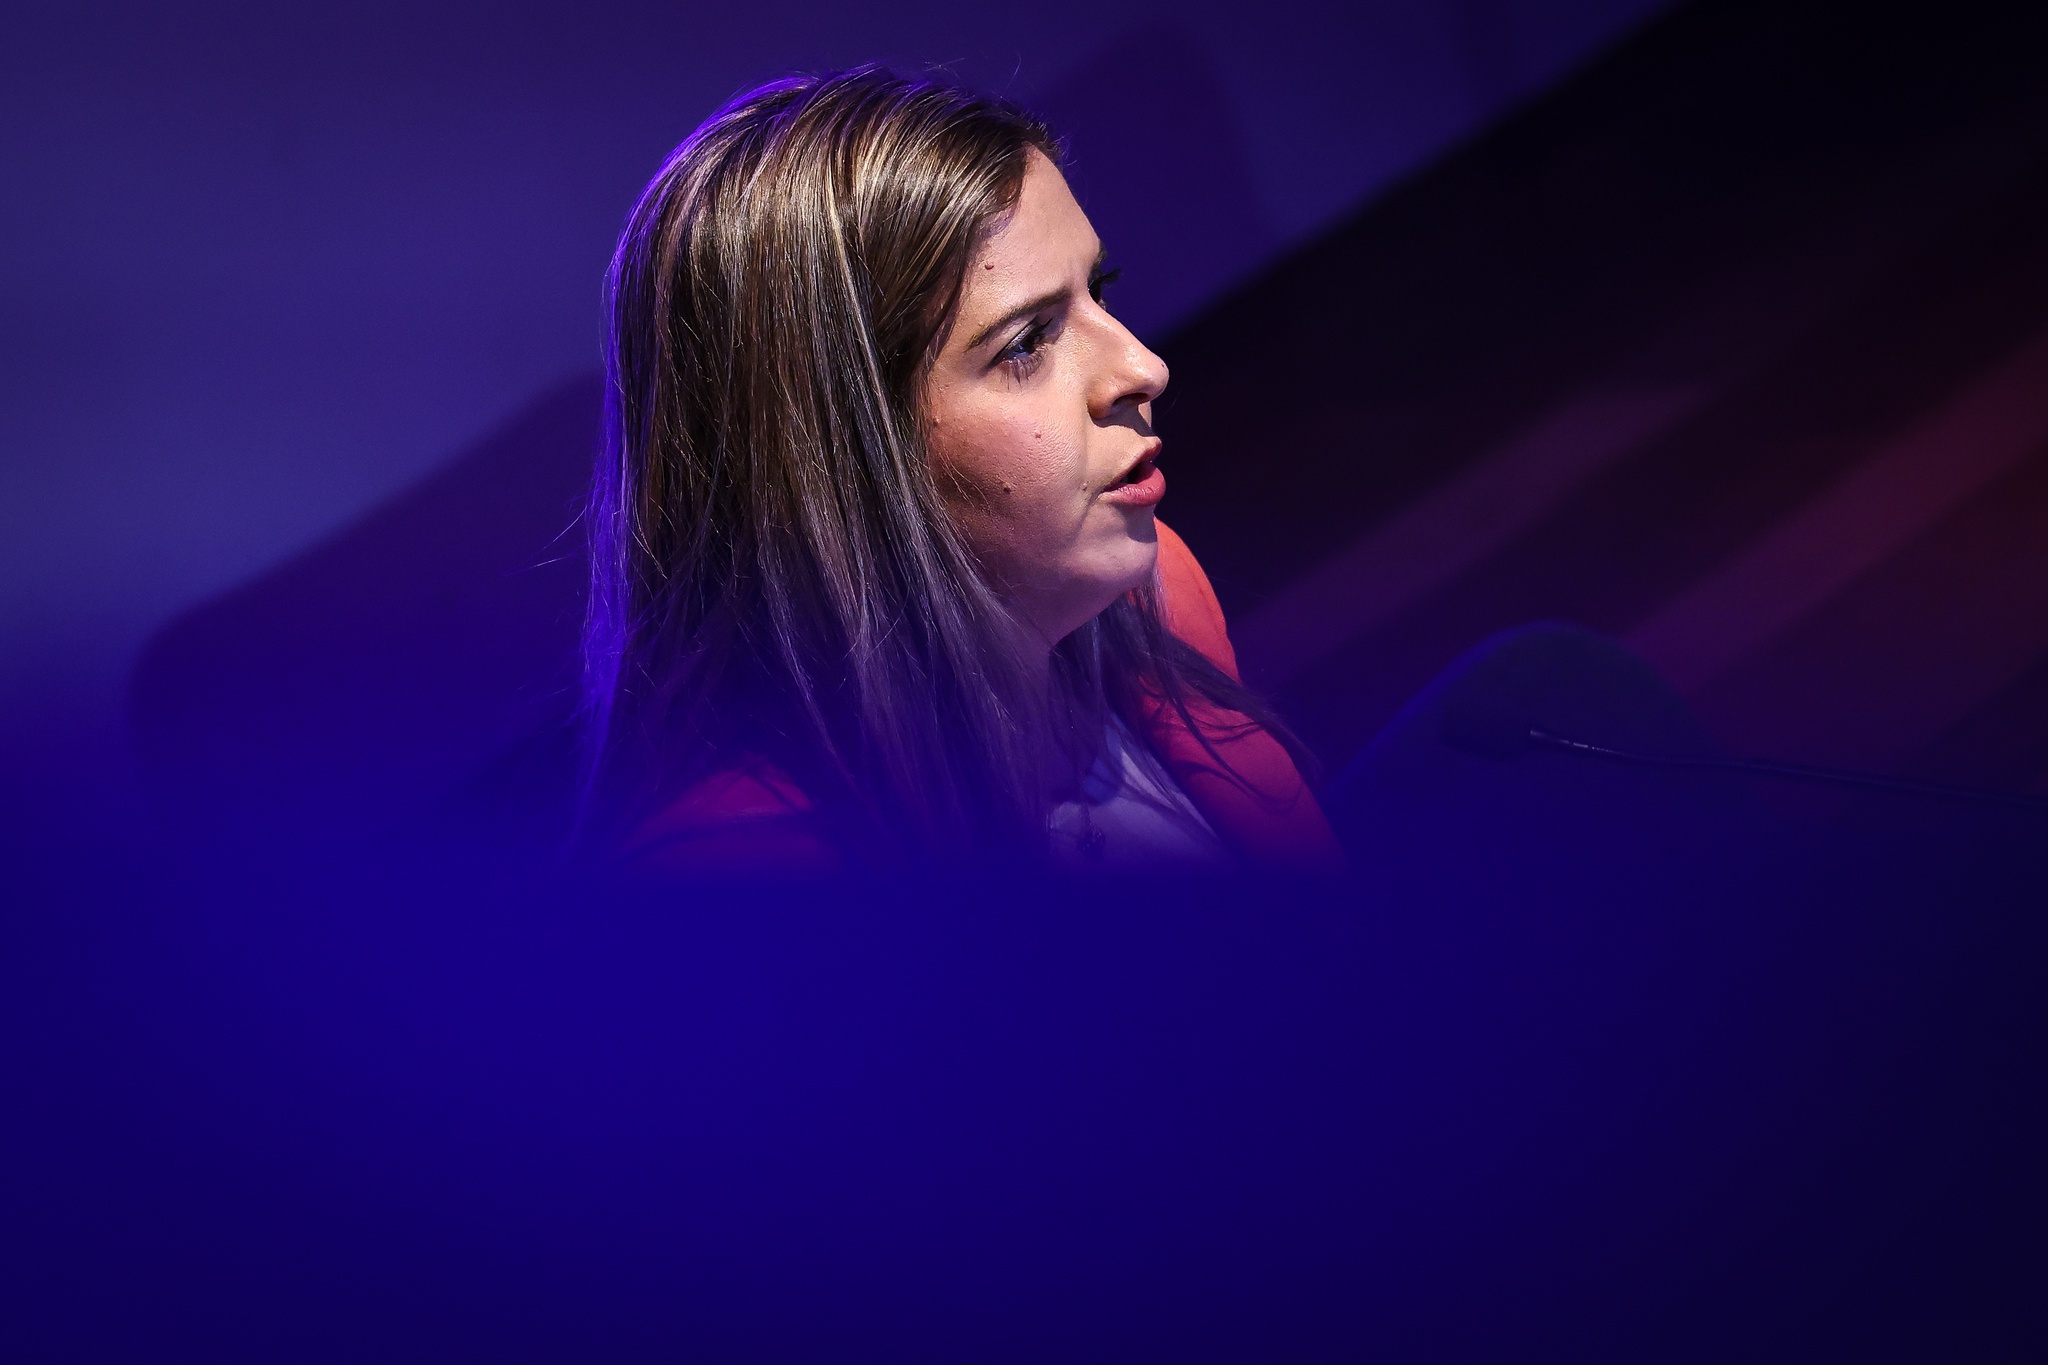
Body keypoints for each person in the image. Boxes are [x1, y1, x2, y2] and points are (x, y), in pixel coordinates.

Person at [581, 67, 1341, 874]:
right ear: (845, 459)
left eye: (1100, 292)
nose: (1143, 366)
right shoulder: (749, 885)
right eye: (1025, 343)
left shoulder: (1157, 600)